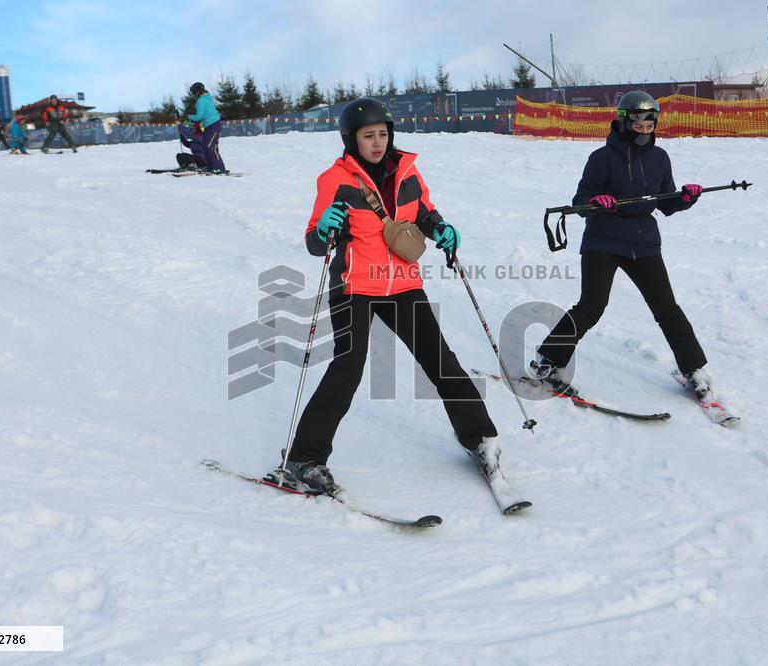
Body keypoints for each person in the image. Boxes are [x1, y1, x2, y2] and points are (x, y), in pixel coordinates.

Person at [275, 97, 503, 495]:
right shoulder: (335, 179)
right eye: (368, 136)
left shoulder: (408, 172)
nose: (377, 142)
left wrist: (442, 229)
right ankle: (304, 457)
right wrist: (324, 229)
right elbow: (315, 242)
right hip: (354, 286)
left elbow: (425, 214)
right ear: (352, 139)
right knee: (348, 368)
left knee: (441, 361)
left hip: (403, 284)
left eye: (382, 134)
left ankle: (480, 438)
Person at [533, 91, 713, 400]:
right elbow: (581, 200)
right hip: (603, 240)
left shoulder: (660, 158)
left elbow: (666, 202)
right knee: (591, 306)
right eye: (639, 126)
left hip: (644, 243)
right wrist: (596, 201)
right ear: (625, 122)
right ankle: (548, 360)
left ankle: (694, 369)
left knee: (667, 308)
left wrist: (685, 198)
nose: (645, 132)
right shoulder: (601, 158)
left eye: (650, 126)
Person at [185, 82, 225, 173]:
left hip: (213, 125)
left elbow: (199, 117)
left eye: (193, 93)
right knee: (205, 147)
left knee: (210, 147)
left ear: (197, 92)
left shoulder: (201, 101)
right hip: (208, 126)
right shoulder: (207, 98)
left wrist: (189, 116)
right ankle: (210, 167)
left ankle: (219, 168)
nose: (192, 95)